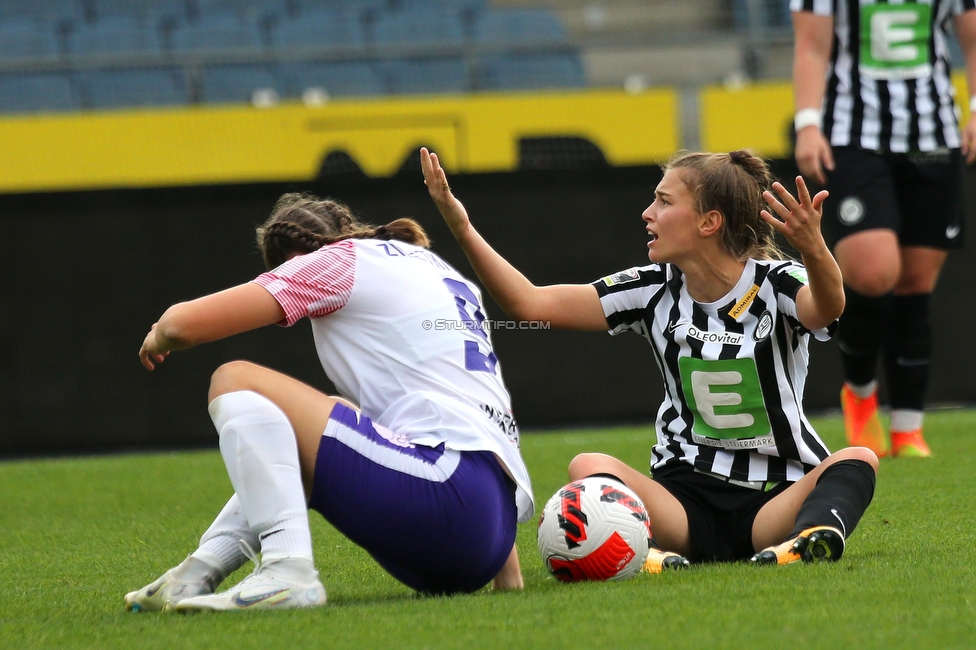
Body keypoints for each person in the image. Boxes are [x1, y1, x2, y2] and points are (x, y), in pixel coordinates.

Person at [421, 146, 878, 565]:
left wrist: (815, 248)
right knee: (587, 466)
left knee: (857, 457)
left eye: (663, 201)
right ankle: (656, 557)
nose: (647, 213)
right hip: (683, 504)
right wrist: (461, 225)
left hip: (774, 500)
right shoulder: (652, 288)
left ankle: (806, 541)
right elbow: (530, 304)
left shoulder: (777, 282)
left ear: (708, 222)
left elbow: (827, 308)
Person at [125, 193, 533, 612]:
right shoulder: (431, 270)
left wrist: (157, 334)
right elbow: (473, 423)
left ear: (297, 254)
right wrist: (507, 574)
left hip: (445, 498)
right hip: (484, 527)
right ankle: (197, 573)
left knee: (235, 379)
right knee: (328, 421)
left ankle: (287, 572)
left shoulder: (336, 260)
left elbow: (181, 326)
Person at [791, 0, 976, 458]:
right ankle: (859, 391)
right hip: (854, 138)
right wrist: (808, 124)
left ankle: (908, 427)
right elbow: (812, 45)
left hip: (933, 135)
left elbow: (971, 39)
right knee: (873, 272)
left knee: (915, 282)